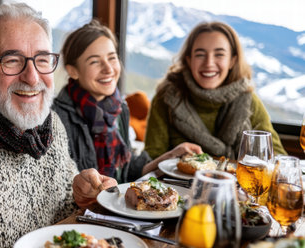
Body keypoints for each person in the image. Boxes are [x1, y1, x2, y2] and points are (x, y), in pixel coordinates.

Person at [0, 3, 116, 248]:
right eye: (12, 60)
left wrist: (84, 199)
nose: (32, 77)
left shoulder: (51, 126)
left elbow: (66, 210)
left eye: (42, 60)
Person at [52, 20, 202, 183]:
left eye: (112, 58)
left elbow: (128, 171)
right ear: (73, 71)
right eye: (95, 61)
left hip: (115, 202)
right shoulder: (57, 119)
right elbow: (63, 189)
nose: (108, 69)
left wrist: (171, 155)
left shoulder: (119, 108)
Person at [144, 21, 287, 160]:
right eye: (200, 54)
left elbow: (277, 158)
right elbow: (151, 159)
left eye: (219, 54)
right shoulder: (167, 98)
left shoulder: (248, 100)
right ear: (189, 60)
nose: (209, 63)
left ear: (232, 61)